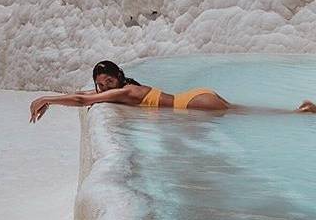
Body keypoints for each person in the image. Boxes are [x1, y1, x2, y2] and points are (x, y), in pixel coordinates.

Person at [29, 60, 316, 123]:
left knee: (249, 117)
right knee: (244, 111)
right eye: (100, 85)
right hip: (194, 96)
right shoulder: (129, 86)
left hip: (193, 104)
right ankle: (300, 111)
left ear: (118, 77)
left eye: (107, 82)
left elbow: (82, 100)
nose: (104, 88)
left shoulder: (125, 93)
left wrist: (47, 100)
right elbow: (85, 94)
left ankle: (299, 114)